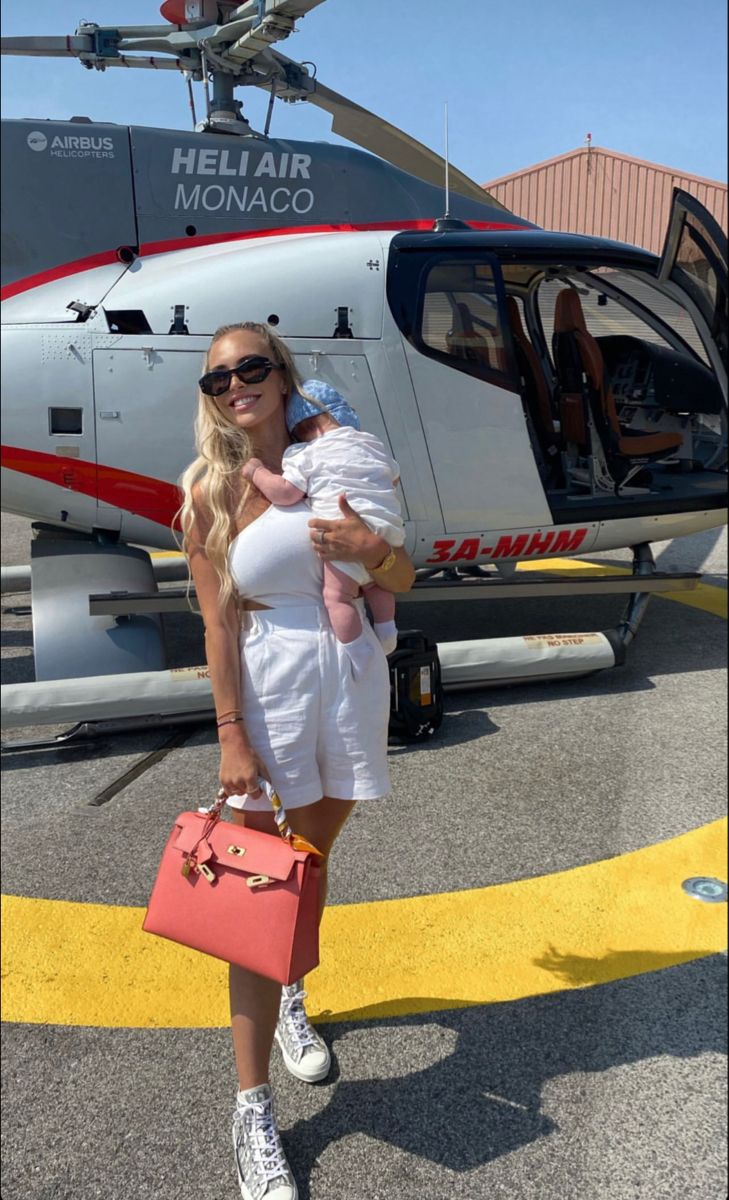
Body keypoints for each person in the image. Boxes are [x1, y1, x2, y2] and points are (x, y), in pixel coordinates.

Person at [179, 320, 415, 1200]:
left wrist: (373, 554)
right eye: (218, 379)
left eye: (251, 368)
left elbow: (406, 572)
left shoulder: (343, 455)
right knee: (253, 892)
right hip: (268, 688)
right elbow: (214, 622)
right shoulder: (209, 490)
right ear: (211, 398)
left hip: (347, 683)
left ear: (282, 376)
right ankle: (251, 1110)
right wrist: (230, 731)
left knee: (307, 870)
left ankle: (290, 995)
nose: (236, 385)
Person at [241, 378, 405, 678]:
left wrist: (258, 473)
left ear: (302, 431)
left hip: (341, 536)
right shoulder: (370, 442)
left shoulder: (305, 453)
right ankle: (387, 629)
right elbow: (392, 477)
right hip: (385, 527)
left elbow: (286, 493)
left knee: (337, 597)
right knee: (375, 584)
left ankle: (358, 655)